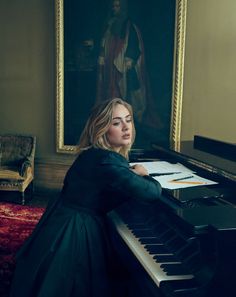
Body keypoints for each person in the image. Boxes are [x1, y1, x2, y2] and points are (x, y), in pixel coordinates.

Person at [10, 98, 162, 297]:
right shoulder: (106, 161)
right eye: (116, 123)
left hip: (64, 215)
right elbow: (151, 193)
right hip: (76, 227)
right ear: (102, 129)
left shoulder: (95, 154)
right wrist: (145, 175)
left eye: (128, 120)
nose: (126, 127)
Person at [96, 0, 151, 123]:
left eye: (117, 6)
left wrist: (128, 60)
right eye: (113, 6)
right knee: (110, 92)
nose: (114, 8)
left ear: (123, 8)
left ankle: (124, 118)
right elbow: (104, 43)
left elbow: (134, 45)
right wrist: (102, 57)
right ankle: (111, 117)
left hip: (121, 66)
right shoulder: (110, 24)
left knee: (124, 92)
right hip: (110, 66)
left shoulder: (129, 26)